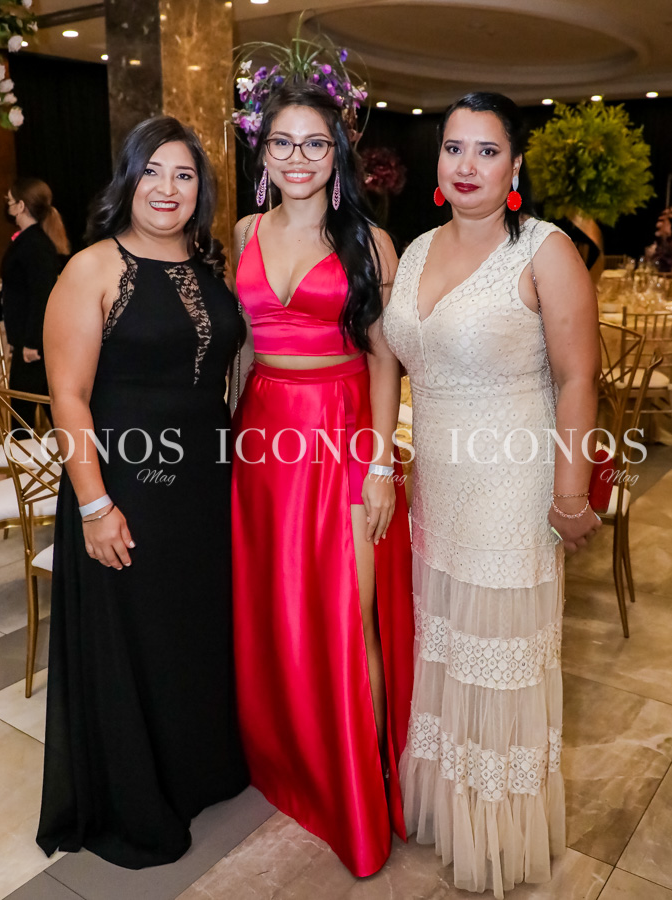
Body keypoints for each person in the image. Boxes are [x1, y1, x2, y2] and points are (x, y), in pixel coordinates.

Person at [383, 92, 601, 897]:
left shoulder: (545, 250)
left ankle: (497, 837)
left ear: (514, 166)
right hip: (436, 489)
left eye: (485, 150)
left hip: (512, 489)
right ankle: (450, 813)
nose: (466, 165)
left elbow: (578, 378)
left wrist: (569, 497)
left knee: (496, 661)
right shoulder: (415, 250)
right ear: (437, 162)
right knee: (445, 649)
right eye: (453, 148)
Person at [37, 116, 248, 868]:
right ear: (128, 179)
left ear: (201, 190)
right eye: (152, 171)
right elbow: (68, 396)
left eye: (184, 175)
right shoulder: (91, 267)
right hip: (124, 487)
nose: (167, 188)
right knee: (135, 638)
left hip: (203, 488)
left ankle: (196, 772)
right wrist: (95, 505)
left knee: (190, 633)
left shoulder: (209, 264)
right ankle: (135, 794)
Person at [231, 81, 415, 878]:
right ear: (262, 152)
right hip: (261, 437)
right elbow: (238, 345)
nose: (297, 157)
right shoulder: (243, 230)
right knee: (276, 608)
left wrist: (379, 464)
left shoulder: (369, 242)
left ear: (335, 152)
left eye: (313, 142)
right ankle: (291, 761)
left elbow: (384, 360)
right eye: (282, 142)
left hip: (340, 432)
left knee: (348, 613)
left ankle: (360, 783)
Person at [1, 177, 70, 425]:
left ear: (21, 206)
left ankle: (21, 452)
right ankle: (70, 447)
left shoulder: (34, 244)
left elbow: (43, 296)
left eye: (9, 201)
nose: (7, 205)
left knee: (21, 416)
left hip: (33, 345)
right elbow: (20, 283)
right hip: (30, 341)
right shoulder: (29, 240)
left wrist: (31, 343)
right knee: (50, 409)